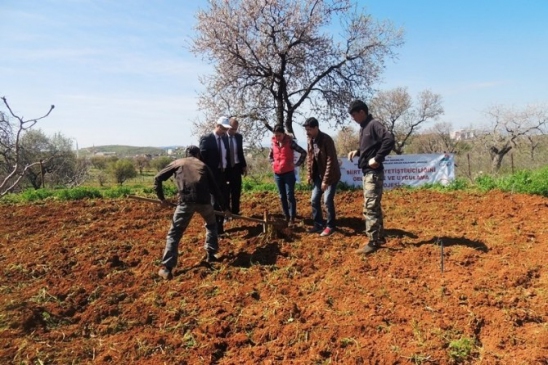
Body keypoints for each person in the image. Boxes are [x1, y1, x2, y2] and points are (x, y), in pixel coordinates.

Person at [154, 146, 231, 280]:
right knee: (212, 225)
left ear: (186, 154)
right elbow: (215, 189)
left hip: (185, 202)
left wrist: (162, 199)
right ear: (198, 155)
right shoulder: (203, 165)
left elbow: (158, 178)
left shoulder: (178, 162)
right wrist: (225, 208)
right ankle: (211, 254)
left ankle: (167, 267)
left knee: (175, 233)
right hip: (204, 202)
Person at [347, 99, 395, 254]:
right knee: (374, 206)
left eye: (354, 115)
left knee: (370, 207)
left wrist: (378, 158)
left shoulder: (373, 124)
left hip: (373, 173)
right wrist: (358, 152)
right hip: (368, 172)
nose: (353, 118)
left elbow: (389, 139)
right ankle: (379, 236)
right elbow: (370, 147)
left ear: (362, 112)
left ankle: (373, 242)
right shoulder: (364, 127)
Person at [303, 117, 341, 237]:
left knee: (327, 200)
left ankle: (330, 226)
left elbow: (331, 161)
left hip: (330, 175)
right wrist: (309, 174)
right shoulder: (310, 139)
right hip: (318, 175)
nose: (307, 132)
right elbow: (310, 158)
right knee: (314, 199)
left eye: (309, 129)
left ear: (316, 128)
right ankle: (318, 224)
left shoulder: (326, 139)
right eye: (306, 129)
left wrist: (325, 181)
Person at [269, 124, 307, 225]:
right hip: (277, 174)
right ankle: (286, 216)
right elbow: (270, 156)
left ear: (283, 134)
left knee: (290, 195)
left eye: (279, 135)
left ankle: (292, 217)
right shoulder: (273, 143)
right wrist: (272, 162)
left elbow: (303, 152)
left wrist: (296, 164)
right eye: (276, 135)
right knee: (282, 196)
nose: (277, 138)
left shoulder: (290, 142)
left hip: (289, 173)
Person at [199, 117, 231, 235]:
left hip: (223, 174)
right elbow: (202, 159)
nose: (224, 131)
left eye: (226, 129)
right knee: (214, 202)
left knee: (223, 200)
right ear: (217, 125)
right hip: (211, 175)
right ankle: (213, 229)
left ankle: (221, 228)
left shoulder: (225, 139)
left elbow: (226, 157)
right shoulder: (206, 139)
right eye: (223, 128)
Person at [226, 117, 247, 215]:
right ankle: (227, 212)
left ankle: (235, 212)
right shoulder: (223, 137)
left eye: (236, 129)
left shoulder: (239, 137)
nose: (234, 131)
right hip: (226, 168)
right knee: (226, 191)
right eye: (232, 129)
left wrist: (244, 166)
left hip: (236, 167)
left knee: (236, 190)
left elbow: (240, 152)